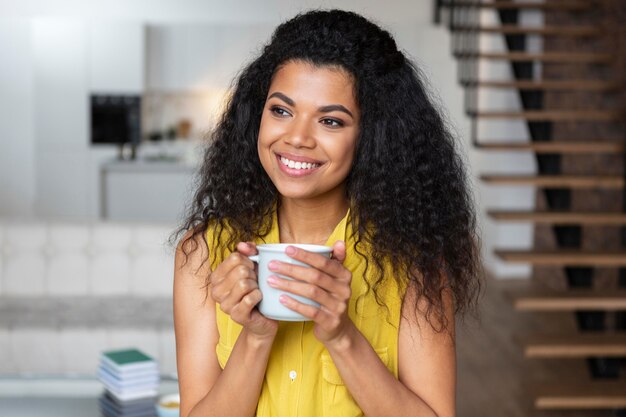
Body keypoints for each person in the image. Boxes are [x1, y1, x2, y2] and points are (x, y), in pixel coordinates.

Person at [173, 9, 481, 417]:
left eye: (331, 121)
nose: (297, 138)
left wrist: (341, 336)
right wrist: (256, 337)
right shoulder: (202, 255)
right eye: (281, 111)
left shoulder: (415, 265)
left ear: (372, 137)